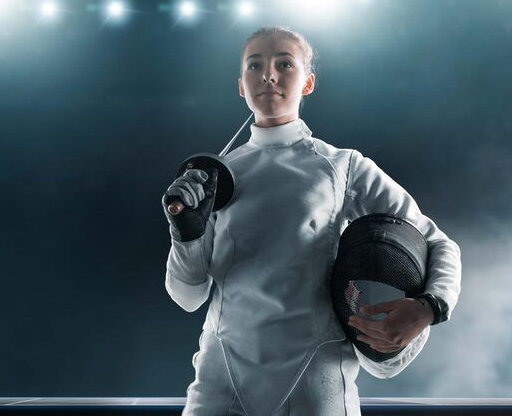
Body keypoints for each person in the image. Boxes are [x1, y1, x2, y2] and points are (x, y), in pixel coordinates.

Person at [161, 27, 462, 416]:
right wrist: (186, 234)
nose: (269, 75)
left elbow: (436, 242)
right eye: (255, 65)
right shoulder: (215, 178)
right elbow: (188, 297)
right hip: (221, 380)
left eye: (285, 64)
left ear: (307, 83)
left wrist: (429, 307)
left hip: (316, 380)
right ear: (241, 85)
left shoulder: (343, 167)